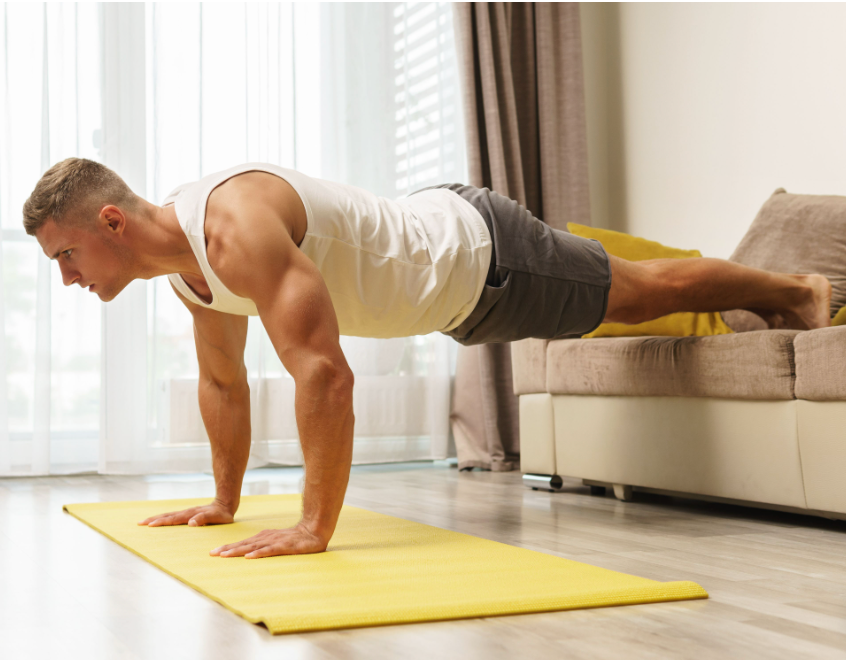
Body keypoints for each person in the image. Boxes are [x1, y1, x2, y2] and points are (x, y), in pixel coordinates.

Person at [24, 158, 832, 559]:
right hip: (453, 289)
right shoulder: (191, 281)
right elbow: (222, 382)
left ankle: (795, 290)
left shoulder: (232, 223)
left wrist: (313, 525)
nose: (67, 279)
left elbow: (324, 374)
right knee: (629, 289)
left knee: (635, 292)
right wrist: (225, 502)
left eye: (66, 255)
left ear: (111, 223)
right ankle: (778, 294)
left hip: (481, 257)